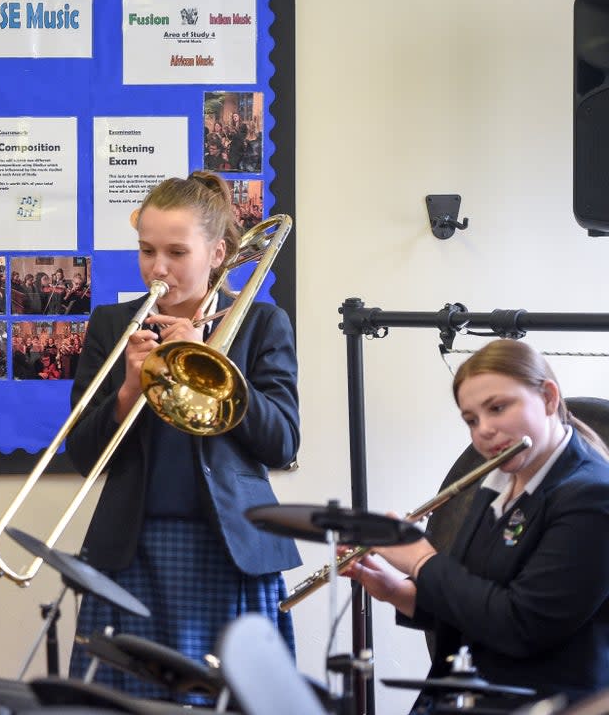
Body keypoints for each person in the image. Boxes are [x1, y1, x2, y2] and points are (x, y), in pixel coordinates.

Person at [65, 171, 300, 703]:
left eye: (176, 251)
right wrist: (128, 388)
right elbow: (81, 454)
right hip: (133, 548)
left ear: (218, 253)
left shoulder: (262, 323)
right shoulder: (113, 325)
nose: (159, 267)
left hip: (230, 551)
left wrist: (213, 362)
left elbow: (283, 442)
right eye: (147, 250)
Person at [344, 339, 609, 705]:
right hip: (464, 693)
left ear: (549, 398)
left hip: (541, 705)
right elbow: (477, 602)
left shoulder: (593, 497)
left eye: (497, 408)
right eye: (471, 420)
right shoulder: (496, 484)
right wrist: (395, 591)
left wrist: (421, 560)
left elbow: (519, 627)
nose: (483, 430)